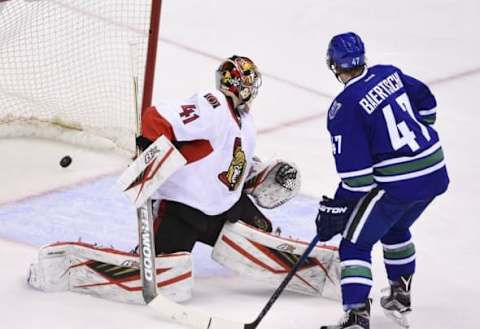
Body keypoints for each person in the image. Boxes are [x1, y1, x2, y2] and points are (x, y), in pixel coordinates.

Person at [315, 33, 449, 329]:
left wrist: (336, 208)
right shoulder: (388, 73)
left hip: (400, 184)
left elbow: (358, 180)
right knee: (396, 227)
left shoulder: (344, 107)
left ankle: (356, 316)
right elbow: (426, 100)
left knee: (354, 243)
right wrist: (416, 140)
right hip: (435, 170)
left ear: (333, 64)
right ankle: (400, 296)